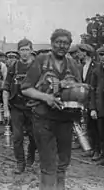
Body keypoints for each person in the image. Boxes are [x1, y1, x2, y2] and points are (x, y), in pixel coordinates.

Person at [21, 29, 81, 190]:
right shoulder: (41, 60)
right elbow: (26, 89)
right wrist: (46, 97)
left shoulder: (73, 65)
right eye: (58, 42)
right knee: (48, 164)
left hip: (65, 120)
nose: (62, 46)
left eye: (66, 43)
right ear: (52, 42)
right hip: (43, 119)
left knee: (63, 162)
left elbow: (79, 90)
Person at [3, 38, 36, 174]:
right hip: (16, 107)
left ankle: (31, 156)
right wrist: (5, 110)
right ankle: (20, 163)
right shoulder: (14, 67)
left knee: (34, 136)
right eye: (22, 50)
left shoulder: (37, 67)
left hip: (33, 108)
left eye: (27, 50)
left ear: (31, 51)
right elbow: (5, 89)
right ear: (18, 51)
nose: (24, 53)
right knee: (17, 137)